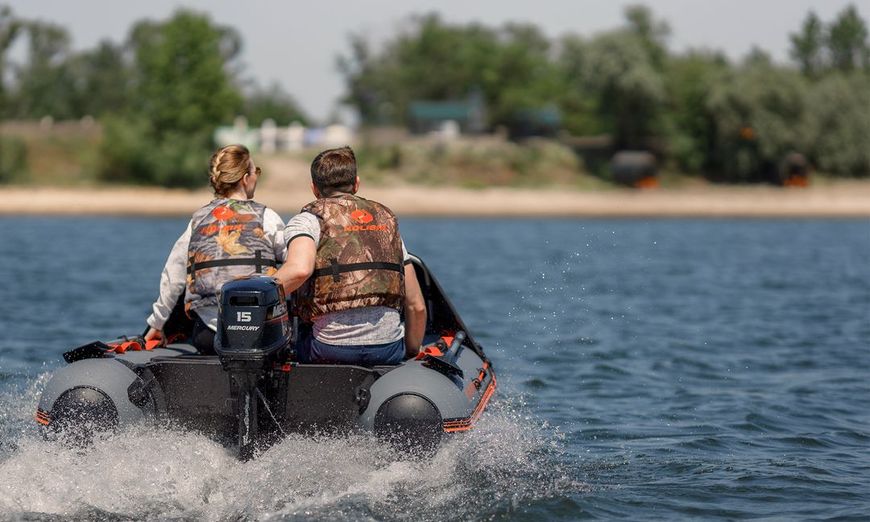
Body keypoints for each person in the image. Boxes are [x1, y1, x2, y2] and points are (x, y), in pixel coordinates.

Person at [274, 146, 426, 365]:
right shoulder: (386, 221)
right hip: (388, 349)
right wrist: (410, 351)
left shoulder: (307, 220)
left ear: (315, 189)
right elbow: (417, 306)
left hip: (328, 349)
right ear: (356, 183)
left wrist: (258, 294)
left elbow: (299, 270)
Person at [144, 144, 286, 354]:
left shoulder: (197, 221)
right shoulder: (267, 217)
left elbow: (173, 278)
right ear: (246, 178)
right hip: (260, 335)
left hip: (208, 336)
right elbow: (295, 263)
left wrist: (156, 324)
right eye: (256, 171)